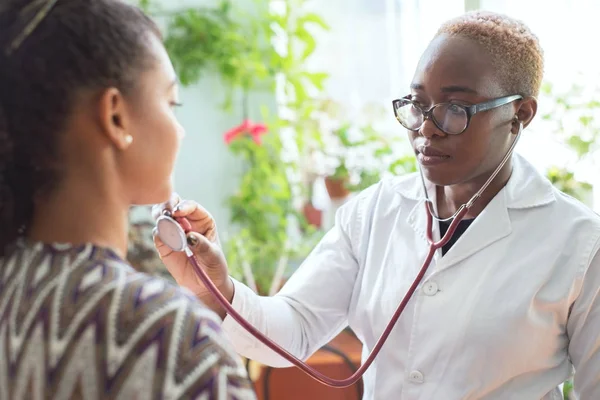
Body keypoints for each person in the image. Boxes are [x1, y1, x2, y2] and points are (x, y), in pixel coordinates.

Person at [154, 11, 600, 400]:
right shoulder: (375, 212)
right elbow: (293, 330)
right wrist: (216, 287)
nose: (427, 128)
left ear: (521, 113)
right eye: (417, 104)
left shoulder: (578, 243)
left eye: (455, 109)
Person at [0, 0, 256, 399]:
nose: (180, 130)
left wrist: (207, 298)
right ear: (116, 117)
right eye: (172, 103)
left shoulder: (13, 290)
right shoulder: (167, 336)